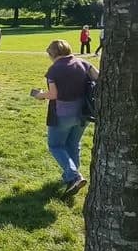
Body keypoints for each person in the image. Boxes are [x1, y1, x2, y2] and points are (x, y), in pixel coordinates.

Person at [32, 39, 99, 195]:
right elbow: (99, 78)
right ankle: (71, 179)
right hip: (84, 112)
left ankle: (74, 176)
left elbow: (53, 95)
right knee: (73, 144)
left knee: (55, 145)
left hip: (62, 114)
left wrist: (39, 95)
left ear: (52, 53)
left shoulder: (53, 70)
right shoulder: (83, 63)